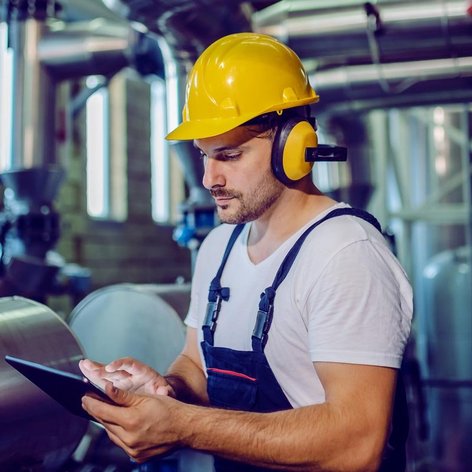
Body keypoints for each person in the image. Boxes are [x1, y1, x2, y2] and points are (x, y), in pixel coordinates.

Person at [80, 32, 413, 472]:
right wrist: (166, 392)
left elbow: (357, 444)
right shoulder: (220, 247)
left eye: (229, 155)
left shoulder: (346, 254)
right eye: (203, 155)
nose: (208, 179)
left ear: (291, 146)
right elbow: (197, 366)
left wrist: (184, 426)